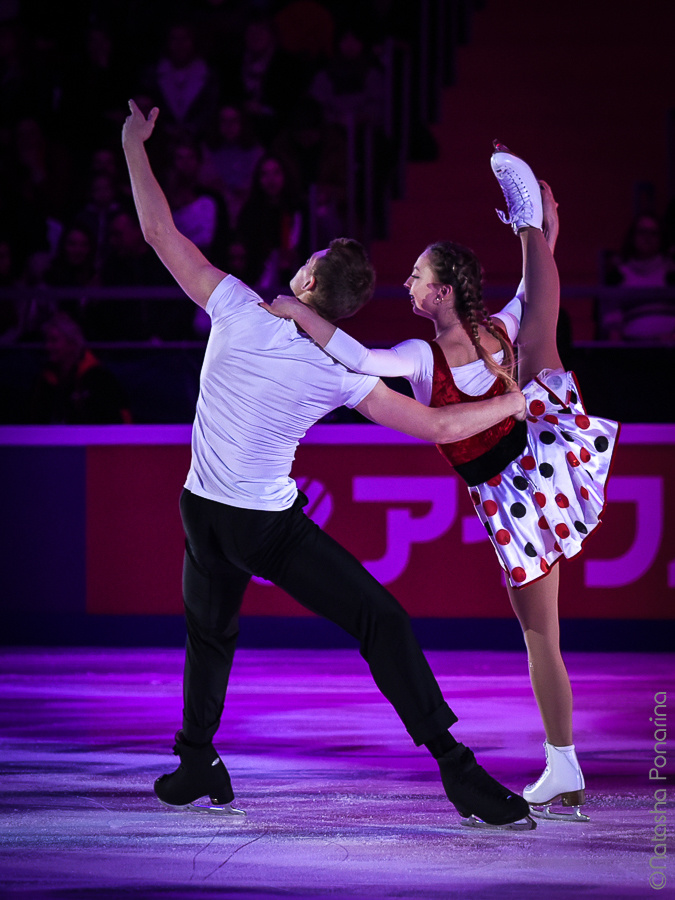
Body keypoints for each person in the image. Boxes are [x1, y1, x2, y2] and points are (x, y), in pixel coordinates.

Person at [121, 99, 533, 830]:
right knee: (377, 618)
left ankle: (195, 757)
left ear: (310, 288)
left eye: (307, 263)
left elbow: (157, 231)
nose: (300, 265)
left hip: (206, 513)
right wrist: (510, 407)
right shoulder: (339, 374)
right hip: (253, 525)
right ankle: (453, 769)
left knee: (210, 633)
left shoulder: (237, 305)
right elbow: (437, 425)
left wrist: (131, 142)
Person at [261, 143, 620, 823]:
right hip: (539, 468)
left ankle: (563, 762)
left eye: (418, 276)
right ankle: (526, 223)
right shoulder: (479, 334)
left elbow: (360, 355)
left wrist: (298, 311)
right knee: (537, 334)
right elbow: (534, 293)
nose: (407, 283)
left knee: (540, 636)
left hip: (523, 483)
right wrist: (547, 236)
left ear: (443, 292)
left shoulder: (424, 355)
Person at [29, 311, 131, 424]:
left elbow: (119, 419)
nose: (47, 346)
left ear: (72, 343)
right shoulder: (45, 379)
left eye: (54, 340)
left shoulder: (98, 378)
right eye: (46, 341)